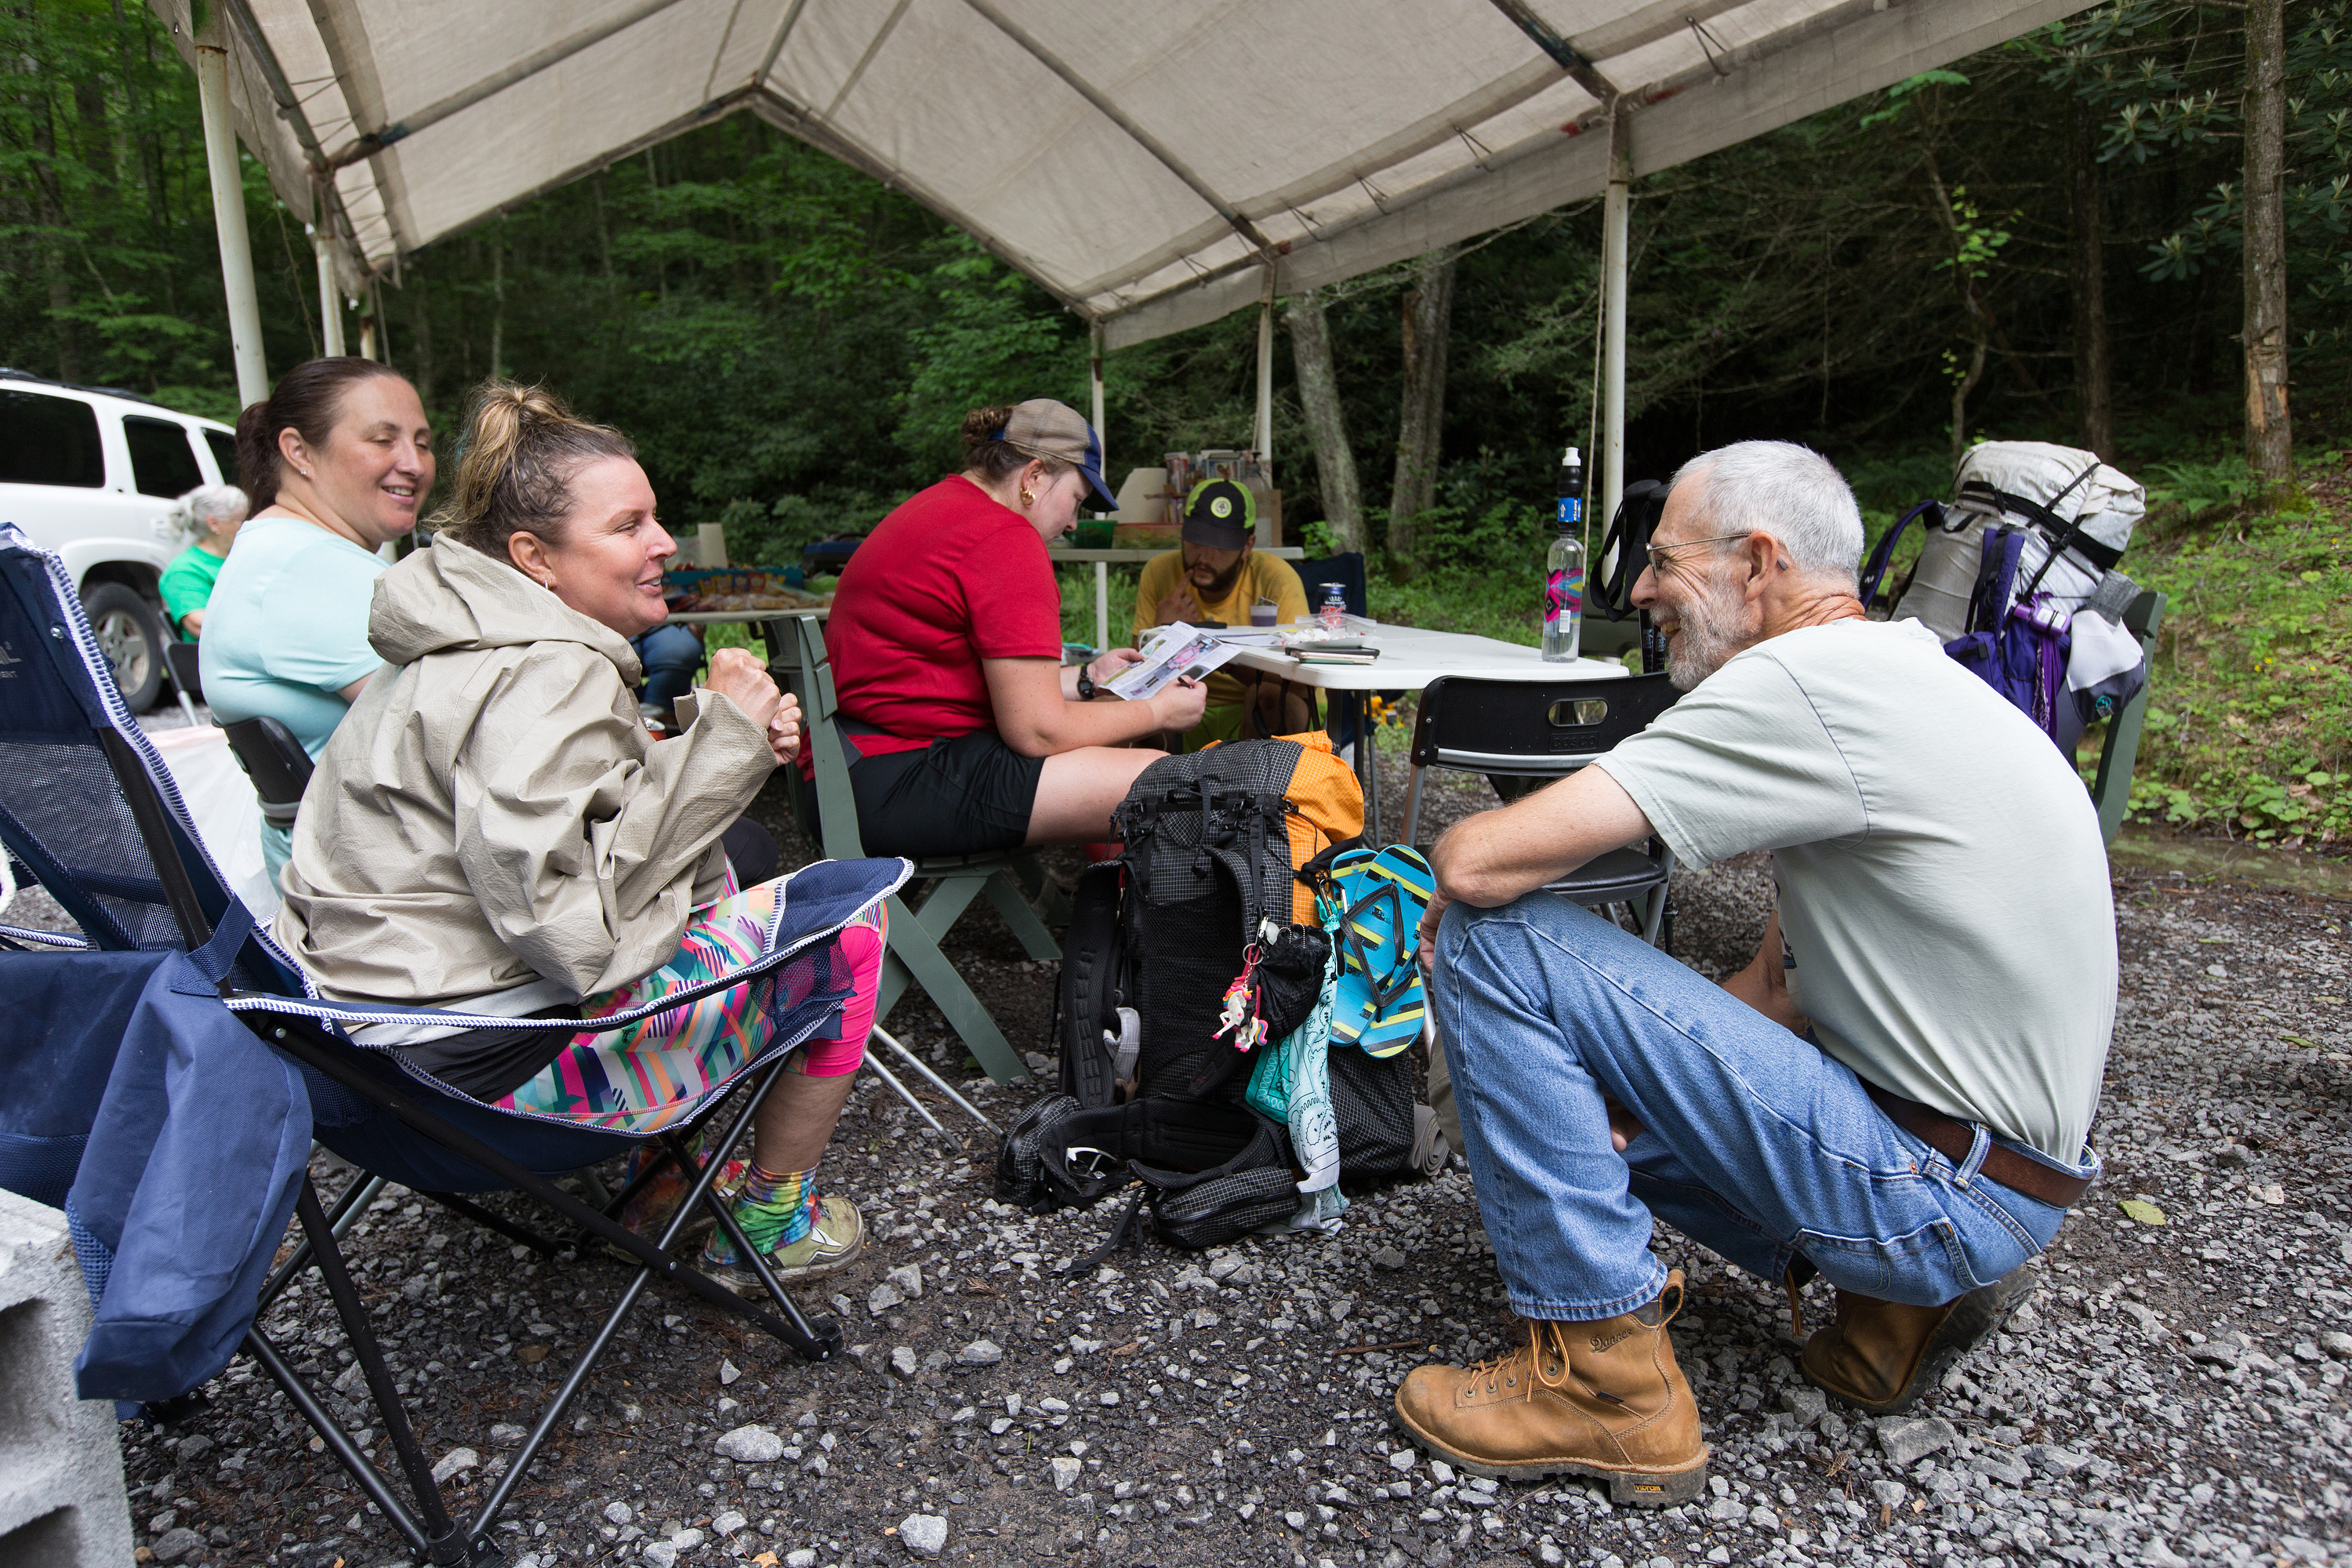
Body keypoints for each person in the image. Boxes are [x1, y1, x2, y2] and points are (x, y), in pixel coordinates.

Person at [1394, 441, 2113, 1505]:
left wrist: (1475, 923)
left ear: (1757, 563)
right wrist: (1626, 1098)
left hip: (1935, 1191)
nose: (1638, 589)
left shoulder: (1803, 679)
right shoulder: (1907, 675)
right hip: (2002, 1188)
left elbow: (1474, 859)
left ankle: (1604, 1382)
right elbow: (1779, 985)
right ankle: (1889, 1318)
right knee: (1585, 1089)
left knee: (1501, 939)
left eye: (1665, 561)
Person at [275, 382, 873, 1291]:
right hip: (469, 1073)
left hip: (359, 1049)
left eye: (655, 518)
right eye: (629, 524)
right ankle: (765, 1218)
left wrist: (708, 741)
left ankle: (662, 1178)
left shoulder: (460, 641)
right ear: (533, 556)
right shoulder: (545, 674)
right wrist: (727, 745)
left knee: (741, 853)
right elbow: (571, 933)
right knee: (848, 934)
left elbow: (543, 809)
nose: (663, 542)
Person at [822, 399, 1206, 859]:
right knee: (1168, 783)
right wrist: (1160, 712)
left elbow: (979, 678)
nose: (1071, 522)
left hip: (848, 769)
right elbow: (1038, 732)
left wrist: (1087, 679)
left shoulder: (940, 507)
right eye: (1076, 500)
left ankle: (1106, 903)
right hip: (897, 777)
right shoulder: (1003, 538)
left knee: (1110, 745)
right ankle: (1119, 918)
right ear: (1034, 477)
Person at [201, 357, 434, 881]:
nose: (414, 464)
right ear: (299, 452)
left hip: (342, 879)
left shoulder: (280, 549)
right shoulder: (306, 567)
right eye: (383, 440)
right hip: (373, 902)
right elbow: (460, 733)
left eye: (422, 442)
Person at [1132, 477, 1313, 747]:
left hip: (1250, 706)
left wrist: (1220, 656)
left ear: (1248, 546)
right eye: (1196, 541)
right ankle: (1156, 786)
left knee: (1269, 696)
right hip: (1185, 705)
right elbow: (1133, 675)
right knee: (1142, 700)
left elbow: (1301, 680)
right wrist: (1161, 634)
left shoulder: (1277, 578)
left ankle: (1257, 790)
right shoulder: (1159, 571)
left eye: (1220, 545)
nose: (1204, 557)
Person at [154, 483, 249, 638]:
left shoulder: (240, 557)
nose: (246, 524)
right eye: (240, 518)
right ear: (214, 523)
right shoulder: (184, 570)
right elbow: (200, 625)